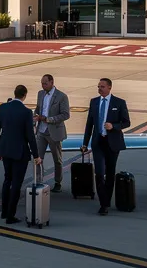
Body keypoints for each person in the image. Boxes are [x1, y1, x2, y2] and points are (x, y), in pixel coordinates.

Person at [0, 84, 42, 224]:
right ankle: (10, 215)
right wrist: (36, 155)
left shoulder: (2, 108)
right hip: (19, 153)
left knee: (7, 179)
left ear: (14, 94)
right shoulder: (26, 112)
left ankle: (4, 211)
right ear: (24, 95)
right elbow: (30, 136)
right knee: (16, 183)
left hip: (5, 150)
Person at [82, 77, 131, 215]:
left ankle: (107, 201)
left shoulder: (119, 103)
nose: (100, 89)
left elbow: (126, 122)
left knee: (110, 173)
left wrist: (113, 126)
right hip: (98, 142)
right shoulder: (94, 102)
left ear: (109, 88)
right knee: (99, 173)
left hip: (112, 143)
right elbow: (89, 124)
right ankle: (103, 204)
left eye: (102, 86)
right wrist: (85, 143)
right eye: (98, 86)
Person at [33, 74, 70, 192]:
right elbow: (38, 108)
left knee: (57, 159)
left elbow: (65, 114)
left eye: (45, 83)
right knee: (38, 158)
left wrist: (48, 119)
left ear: (52, 82)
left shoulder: (61, 96)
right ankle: (39, 181)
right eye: (42, 83)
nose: (43, 86)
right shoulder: (40, 93)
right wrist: (35, 116)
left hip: (54, 132)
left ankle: (58, 181)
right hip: (41, 131)